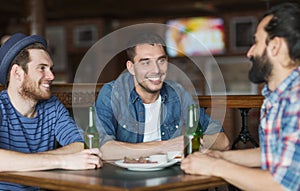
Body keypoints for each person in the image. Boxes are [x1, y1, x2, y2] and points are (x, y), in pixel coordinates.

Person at [181, 2, 300, 191]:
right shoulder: (279, 95)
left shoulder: (295, 99)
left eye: (256, 42)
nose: (249, 52)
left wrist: (215, 166)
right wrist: (221, 157)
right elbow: (278, 155)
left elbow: (282, 185)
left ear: (275, 46)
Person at [95, 32, 230, 160]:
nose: (156, 70)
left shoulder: (177, 93)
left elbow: (222, 141)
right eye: (146, 62)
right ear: (131, 67)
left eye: (161, 61)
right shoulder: (113, 93)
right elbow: (103, 149)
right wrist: (166, 146)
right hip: (126, 179)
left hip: (172, 175)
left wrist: (189, 142)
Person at [0, 33, 102, 190]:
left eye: (51, 69)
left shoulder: (52, 106)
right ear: (17, 73)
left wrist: (27, 161)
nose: (51, 76)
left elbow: (81, 145)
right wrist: (63, 161)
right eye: (42, 68)